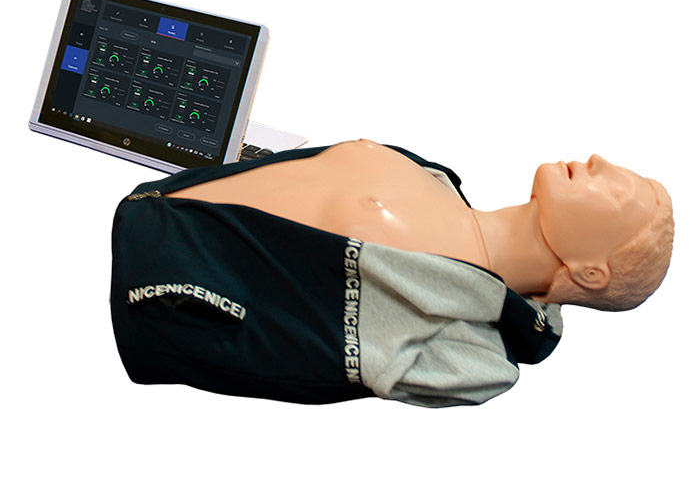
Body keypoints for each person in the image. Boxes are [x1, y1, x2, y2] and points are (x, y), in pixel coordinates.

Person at [110, 139, 673, 407]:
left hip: (139, 300)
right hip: (147, 202)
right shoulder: (434, 175)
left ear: (591, 273)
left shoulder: (459, 346)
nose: (600, 162)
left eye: (619, 192)